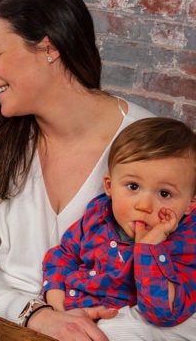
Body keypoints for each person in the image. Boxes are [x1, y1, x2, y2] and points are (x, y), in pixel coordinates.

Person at [0, 0, 195, 341]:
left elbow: (183, 297)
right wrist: (35, 314)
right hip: (3, 326)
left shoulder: (155, 152)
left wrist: (96, 331)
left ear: (48, 48)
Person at [42, 117, 196, 328]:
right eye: (133, 186)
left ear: (190, 204)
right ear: (110, 186)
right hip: (67, 315)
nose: (144, 205)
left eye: (164, 193)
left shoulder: (186, 245)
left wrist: (148, 247)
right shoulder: (98, 214)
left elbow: (163, 313)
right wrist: (58, 309)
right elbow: (63, 256)